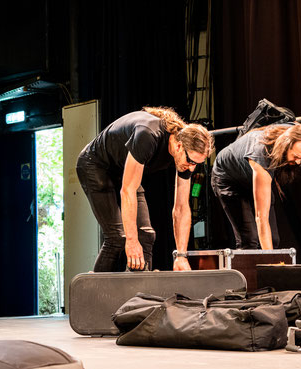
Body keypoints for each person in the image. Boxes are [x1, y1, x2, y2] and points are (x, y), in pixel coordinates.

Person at [76, 107, 214, 272]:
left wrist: (181, 256)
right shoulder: (148, 136)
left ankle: (139, 295)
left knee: (146, 236)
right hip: (95, 165)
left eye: (196, 165)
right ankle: (95, 295)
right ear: (178, 146)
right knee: (119, 238)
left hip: (123, 169)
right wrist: (132, 241)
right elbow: (128, 191)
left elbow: (181, 208)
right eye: (191, 162)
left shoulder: (185, 158)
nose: (191, 169)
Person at [211, 122, 301, 250]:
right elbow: (261, 218)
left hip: (249, 176)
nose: (298, 162)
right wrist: (270, 265)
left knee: (272, 239)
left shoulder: (296, 130)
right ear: (285, 145)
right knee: (249, 239)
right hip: (227, 178)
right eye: (296, 156)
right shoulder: (262, 154)